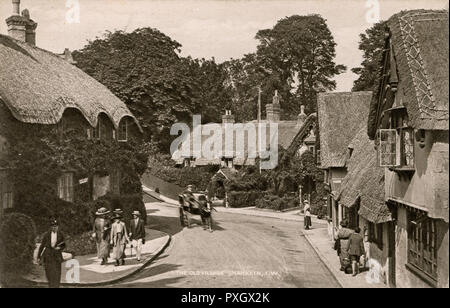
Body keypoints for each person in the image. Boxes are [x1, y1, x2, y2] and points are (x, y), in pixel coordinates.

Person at [37, 219, 66, 288]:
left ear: (58, 227)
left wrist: (60, 248)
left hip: (57, 256)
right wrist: (39, 256)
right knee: (49, 273)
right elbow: (42, 246)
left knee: (57, 273)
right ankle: (51, 286)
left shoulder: (60, 234)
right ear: (50, 227)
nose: (54, 228)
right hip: (48, 255)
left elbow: (64, 244)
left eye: (56, 226)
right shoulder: (46, 235)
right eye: (53, 226)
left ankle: (56, 286)